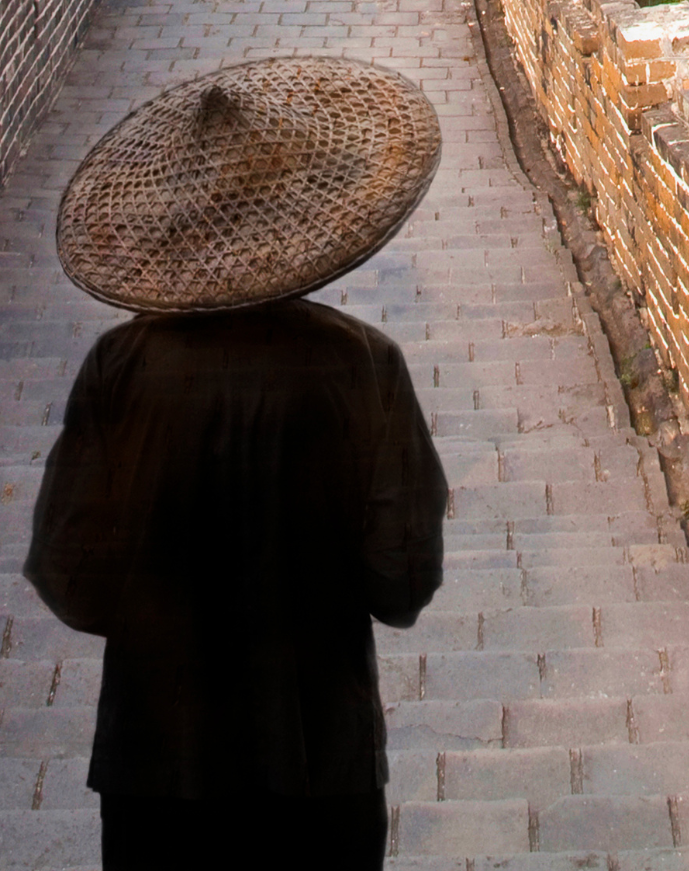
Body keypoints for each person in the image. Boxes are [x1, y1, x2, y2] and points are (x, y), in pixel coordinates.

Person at [26, 57, 450, 870]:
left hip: (157, 772)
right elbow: (402, 581)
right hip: (319, 768)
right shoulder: (363, 367)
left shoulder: (118, 369)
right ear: (304, 210)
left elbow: (70, 575)